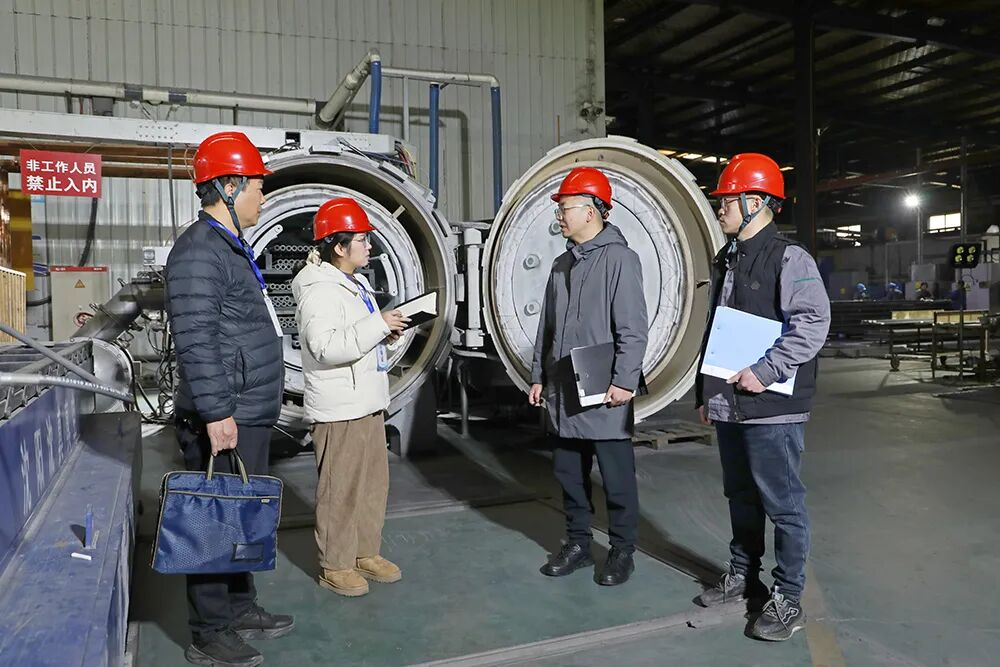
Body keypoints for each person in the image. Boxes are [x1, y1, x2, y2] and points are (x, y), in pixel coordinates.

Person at [165, 131, 293, 667]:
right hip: (225, 413)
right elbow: (196, 339)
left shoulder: (228, 245)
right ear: (228, 186)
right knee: (214, 521)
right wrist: (217, 412)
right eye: (257, 186)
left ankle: (240, 608)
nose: (263, 196)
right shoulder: (199, 250)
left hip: (248, 409)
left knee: (241, 517)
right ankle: (209, 631)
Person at [693, 153, 831, 642]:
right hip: (731, 402)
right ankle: (743, 574)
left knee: (783, 503)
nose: (720, 209)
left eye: (727, 201)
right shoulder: (728, 257)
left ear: (756, 202)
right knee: (740, 494)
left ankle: (788, 597)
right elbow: (717, 329)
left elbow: (812, 322)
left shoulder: (790, 258)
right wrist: (707, 393)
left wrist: (767, 369)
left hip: (773, 406)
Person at [528, 167, 648, 586]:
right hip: (564, 386)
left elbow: (633, 328)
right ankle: (578, 544)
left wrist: (624, 380)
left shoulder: (620, 260)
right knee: (568, 473)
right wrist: (538, 376)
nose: (559, 216)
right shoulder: (561, 264)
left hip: (603, 386)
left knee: (616, 477)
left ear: (592, 211)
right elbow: (546, 327)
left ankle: (622, 550)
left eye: (565, 208)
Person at [292, 197, 409, 597]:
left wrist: (388, 334)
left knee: (372, 486)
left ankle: (364, 552)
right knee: (339, 490)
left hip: (368, 402)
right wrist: (378, 324)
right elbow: (326, 347)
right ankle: (336, 564)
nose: (369, 246)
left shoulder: (355, 284)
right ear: (339, 246)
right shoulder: (319, 290)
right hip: (340, 408)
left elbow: (360, 340)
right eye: (362, 240)